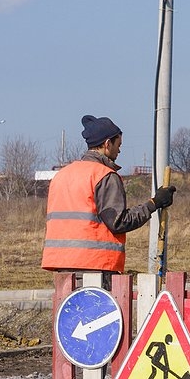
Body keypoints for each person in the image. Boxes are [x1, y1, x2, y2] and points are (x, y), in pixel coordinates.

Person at [40, 115, 176, 273]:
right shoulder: (104, 175)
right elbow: (119, 222)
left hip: (61, 265)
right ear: (107, 143)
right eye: (118, 144)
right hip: (95, 265)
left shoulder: (61, 175)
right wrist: (154, 204)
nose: (119, 150)